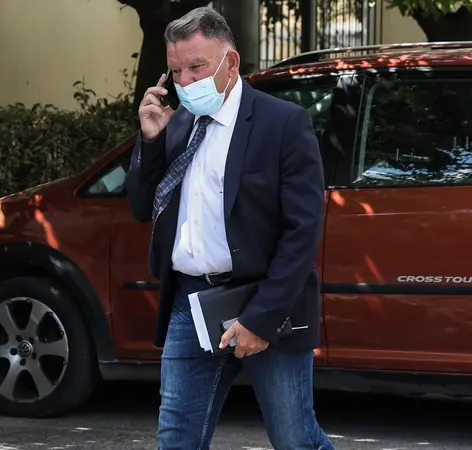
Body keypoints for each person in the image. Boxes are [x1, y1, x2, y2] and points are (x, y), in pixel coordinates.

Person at [124, 6, 335, 450]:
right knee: (176, 439)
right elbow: (143, 208)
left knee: (295, 438)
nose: (185, 82)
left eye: (196, 68)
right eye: (176, 71)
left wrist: (260, 319)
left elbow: (301, 234)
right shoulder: (178, 123)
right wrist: (150, 141)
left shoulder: (282, 123)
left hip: (264, 302)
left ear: (231, 62)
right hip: (190, 303)